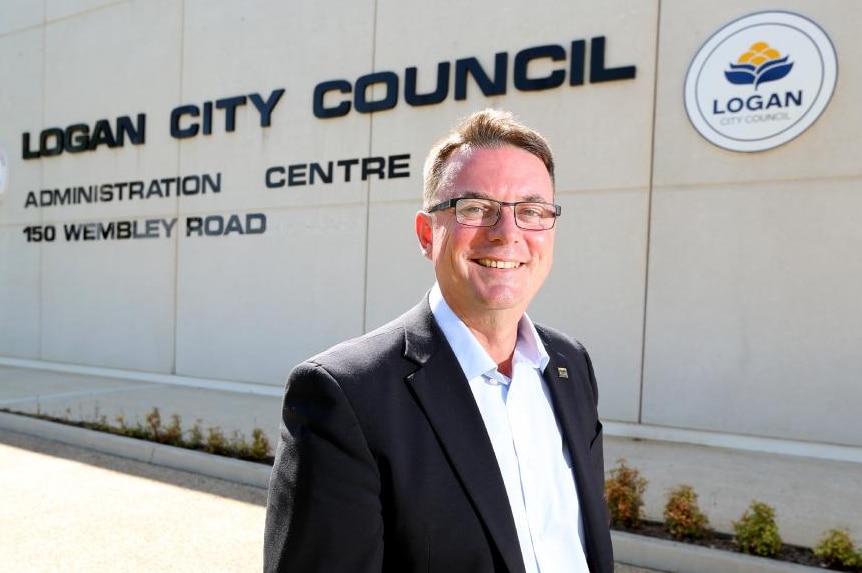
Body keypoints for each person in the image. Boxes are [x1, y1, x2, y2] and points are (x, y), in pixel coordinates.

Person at [264, 109, 613, 573]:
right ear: (428, 234)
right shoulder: (347, 394)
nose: (507, 234)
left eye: (531, 211)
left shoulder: (570, 366)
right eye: (475, 208)